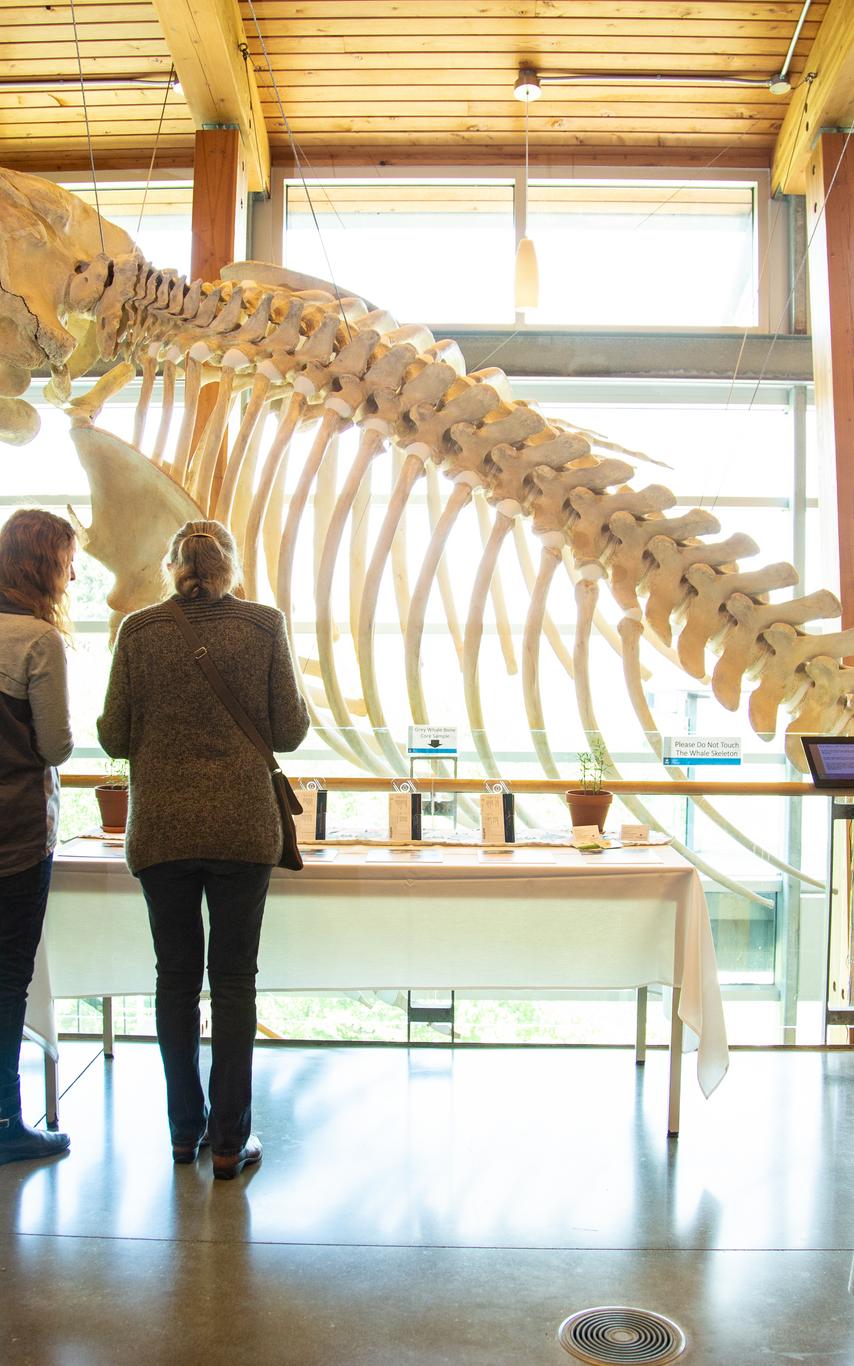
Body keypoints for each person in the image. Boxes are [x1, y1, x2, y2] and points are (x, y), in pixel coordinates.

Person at [97, 519, 309, 1180]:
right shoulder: (263, 625)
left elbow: (112, 736)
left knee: (175, 979)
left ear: (171, 566)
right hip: (244, 828)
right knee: (235, 982)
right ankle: (228, 1143)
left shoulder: (138, 631)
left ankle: (182, 1135)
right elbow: (291, 730)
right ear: (231, 567)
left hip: (162, 829)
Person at [0, 508, 75, 1166]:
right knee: (6, 979)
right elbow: (55, 744)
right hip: (17, 834)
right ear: (49, 564)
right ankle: (4, 1120)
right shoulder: (36, 639)